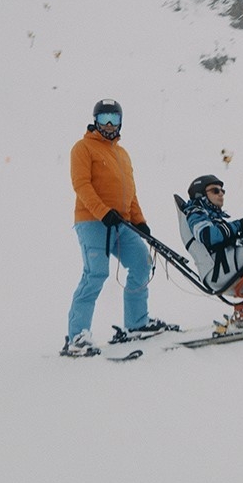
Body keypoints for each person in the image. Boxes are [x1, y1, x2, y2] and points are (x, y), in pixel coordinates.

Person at [61, 99, 173, 357]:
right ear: (95, 121)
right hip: (92, 222)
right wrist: (102, 212)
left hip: (121, 222)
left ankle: (136, 323)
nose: (109, 124)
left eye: (113, 118)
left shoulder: (122, 154)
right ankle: (77, 336)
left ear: (121, 121)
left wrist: (139, 220)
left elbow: (130, 193)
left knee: (142, 264)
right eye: (103, 119)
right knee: (96, 274)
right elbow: (81, 185)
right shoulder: (83, 148)